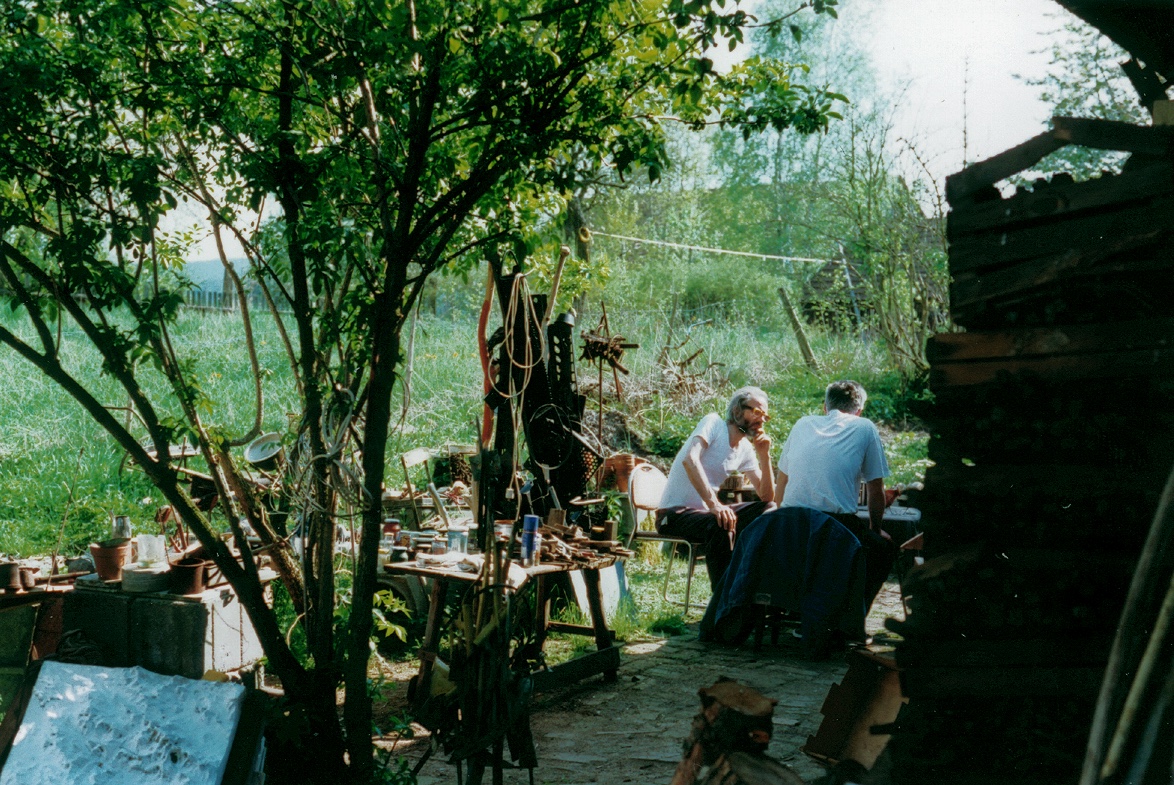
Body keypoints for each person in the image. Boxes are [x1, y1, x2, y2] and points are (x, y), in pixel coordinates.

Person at [774, 379, 897, 609]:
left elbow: (782, 481)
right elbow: (876, 489)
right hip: (834, 525)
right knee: (882, 548)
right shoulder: (865, 427)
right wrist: (875, 529)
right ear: (859, 411)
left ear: (825, 407)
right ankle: (853, 614)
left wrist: (778, 519)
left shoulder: (802, 424)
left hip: (790, 522)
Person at [656, 387, 775, 589]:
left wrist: (765, 455)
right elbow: (690, 460)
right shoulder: (714, 423)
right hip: (673, 514)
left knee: (769, 509)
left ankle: (750, 585)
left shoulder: (745, 449)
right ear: (737, 410)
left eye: (765, 416)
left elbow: (766, 497)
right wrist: (714, 504)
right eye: (757, 412)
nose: (762, 420)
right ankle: (722, 598)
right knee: (721, 521)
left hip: (704, 516)